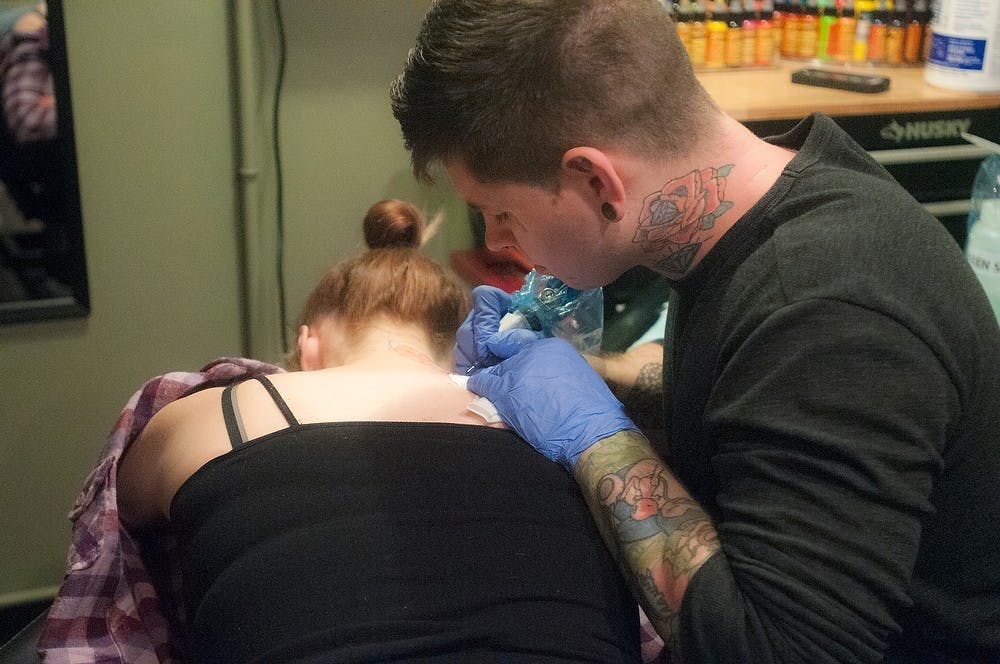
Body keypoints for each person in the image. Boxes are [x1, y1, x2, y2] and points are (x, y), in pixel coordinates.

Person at [390, 2, 1000, 662]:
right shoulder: (760, 211)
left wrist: (597, 438)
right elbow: (748, 391)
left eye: (497, 212)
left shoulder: (826, 304)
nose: (497, 240)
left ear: (596, 181)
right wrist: (592, 377)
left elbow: (771, 651)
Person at [107, 199, 641, 663]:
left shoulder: (217, 412)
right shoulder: (549, 418)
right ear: (461, 345)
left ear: (308, 345)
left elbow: (119, 521)